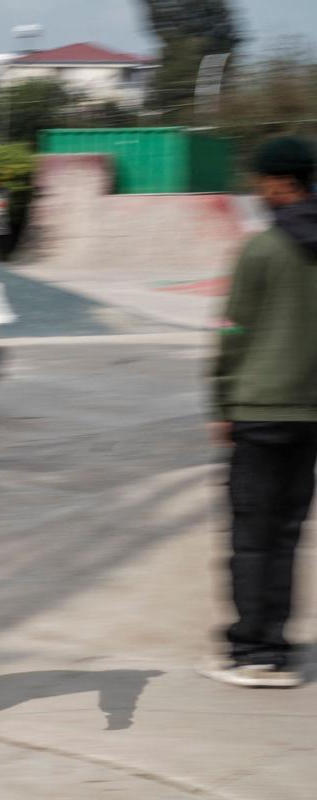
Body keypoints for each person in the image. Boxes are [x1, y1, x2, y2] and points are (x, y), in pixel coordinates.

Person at [205, 136, 317, 688]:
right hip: (309, 415)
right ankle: (276, 641)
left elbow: (234, 333)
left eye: (261, 180)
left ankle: (255, 652)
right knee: (288, 535)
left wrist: (221, 400)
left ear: (279, 183)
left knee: (252, 536)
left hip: (258, 411)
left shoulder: (261, 249)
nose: (257, 189)